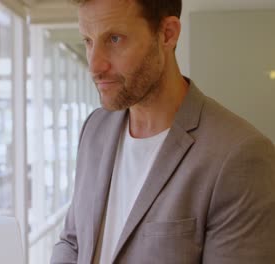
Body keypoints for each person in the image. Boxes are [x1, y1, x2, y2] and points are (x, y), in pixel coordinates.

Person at [50, 0, 275, 263]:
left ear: (167, 34)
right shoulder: (95, 129)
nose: (95, 65)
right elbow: (73, 240)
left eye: (114, 39)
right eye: (88, 41)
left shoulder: (240, 157)